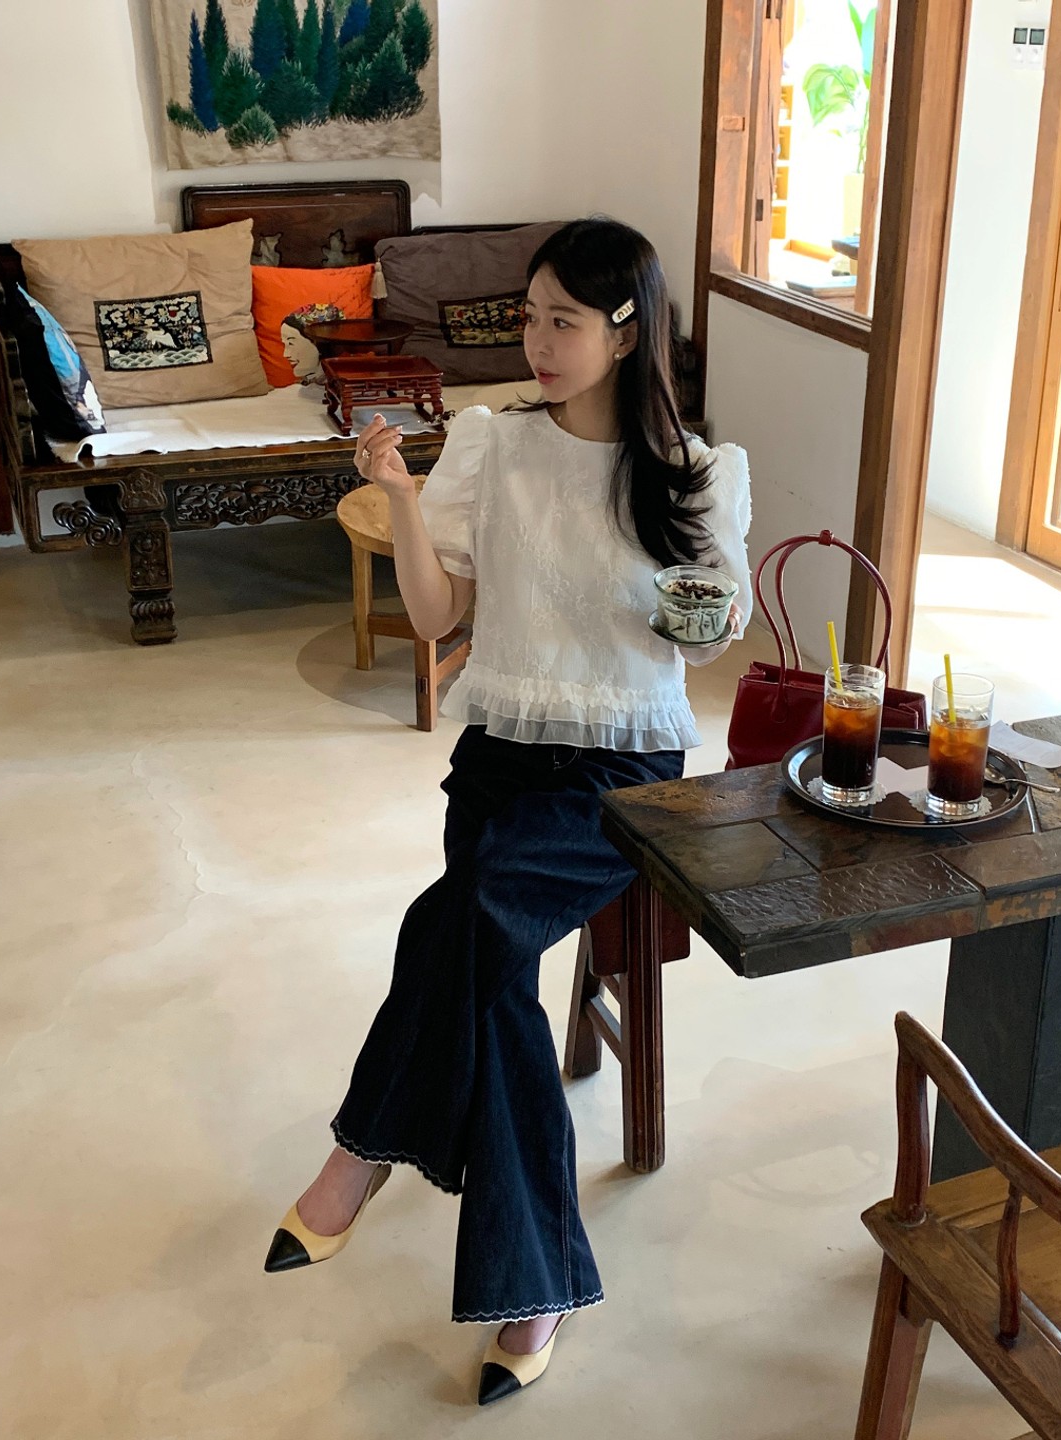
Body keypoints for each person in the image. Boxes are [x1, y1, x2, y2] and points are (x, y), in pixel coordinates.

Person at [263, 218, 752, 1405]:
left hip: (621, 774)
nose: (536, 341)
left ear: (626, 332)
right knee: (487, 982)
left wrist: (701, 602)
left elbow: (707, 633)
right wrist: (401, 497)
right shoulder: (492, 442)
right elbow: (439, 622)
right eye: (529, 317)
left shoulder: (695, 472)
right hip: (499, 758)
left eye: (562, 321)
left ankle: (362, 1149)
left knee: (465, 916)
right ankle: (534, 1287)